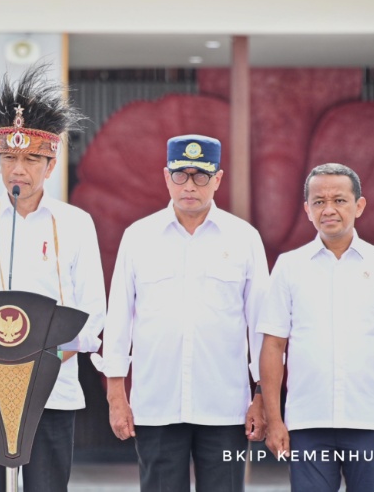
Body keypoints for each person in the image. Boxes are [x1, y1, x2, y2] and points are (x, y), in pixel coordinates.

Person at [0, 66, 106, 492]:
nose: (20, 169)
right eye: (9, 158)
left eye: (32, 159)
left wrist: (39, 367)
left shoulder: (76, 224)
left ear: (51, 164)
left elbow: (92, 317)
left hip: (54, 391)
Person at [101, 135, 269, 492]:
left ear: (218, 179)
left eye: (201, 176)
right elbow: (117, 320)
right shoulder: (138, 237)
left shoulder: (244, 239)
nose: (189, 186)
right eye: (181, 175)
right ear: (166, 176)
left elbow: (262, 327)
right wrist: (116, 394)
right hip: (157, 404)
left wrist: (262, 396)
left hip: (226, 408)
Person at [259, 163, 374, 492]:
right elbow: (273, 346)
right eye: (319, 201)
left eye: (339, 200)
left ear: (359, 205)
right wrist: (275, 421)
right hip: (306, 423)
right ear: (307, 210)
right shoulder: (289, 267)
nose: (328, 209)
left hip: (370, 422)